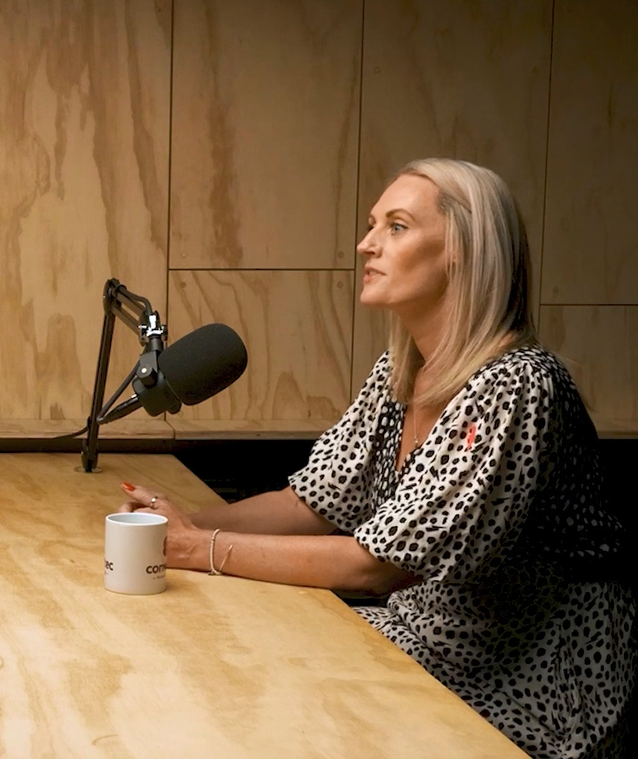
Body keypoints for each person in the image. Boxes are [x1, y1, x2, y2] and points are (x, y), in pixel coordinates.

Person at [122, 158, 633, 758]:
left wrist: (196, 548)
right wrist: (172, 525)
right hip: (423, 640)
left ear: (464, 251)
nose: (367, 244)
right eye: (372, 225)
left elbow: (377, 567)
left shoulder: (518, 385)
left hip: (530, 688)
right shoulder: (402, 370)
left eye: (396, 227)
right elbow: (309, 504)